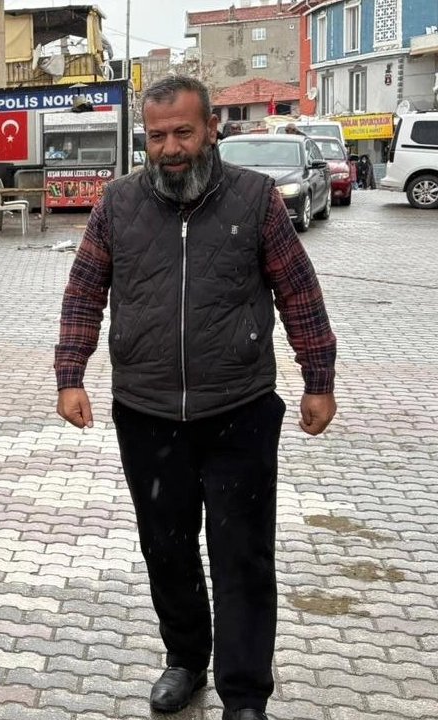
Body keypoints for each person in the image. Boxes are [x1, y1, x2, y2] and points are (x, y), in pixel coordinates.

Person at [54, 76, 337, 720]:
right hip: (148, 416)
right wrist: (71, 373)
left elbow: (299, 293)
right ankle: (184, 659)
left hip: (240, 411)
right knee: (168, 547)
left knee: (242, 556)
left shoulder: (256, 199)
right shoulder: (118, 203)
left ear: (212, 128)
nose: (171, 147)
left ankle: (244, 694)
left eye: (184, 132)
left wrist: (318, 379)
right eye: (157, 136)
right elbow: (83, 292)